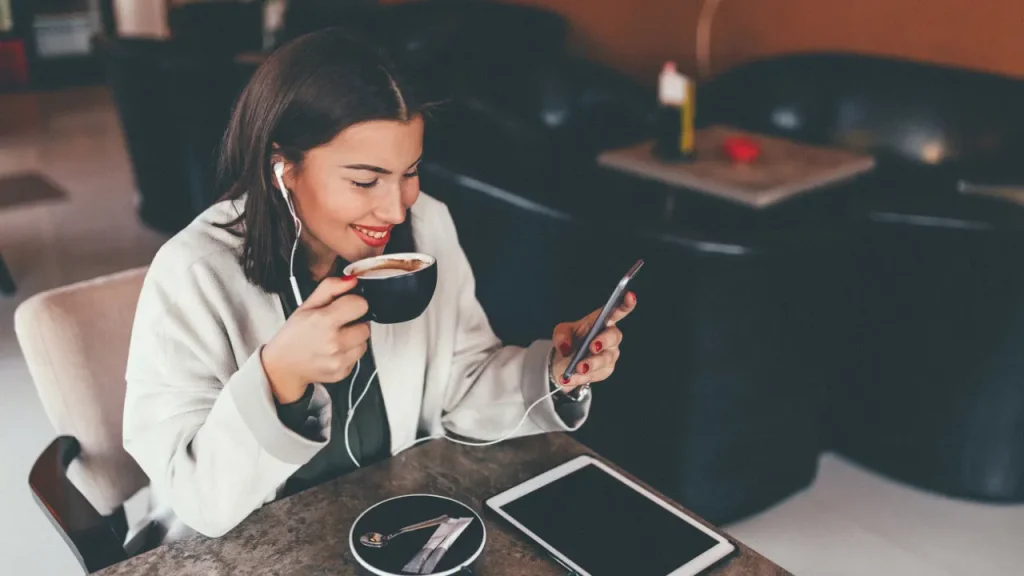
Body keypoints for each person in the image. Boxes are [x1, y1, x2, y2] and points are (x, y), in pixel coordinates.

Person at [123, 28, 636, 542]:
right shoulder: (194, 274)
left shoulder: (426, 229)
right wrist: (277, 378)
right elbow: (198, 501)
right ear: (282, 168)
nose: (395, 208)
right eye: (365, 181)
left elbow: (460, 382)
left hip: (387, 529)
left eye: (409, 172)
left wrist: (553, 370)